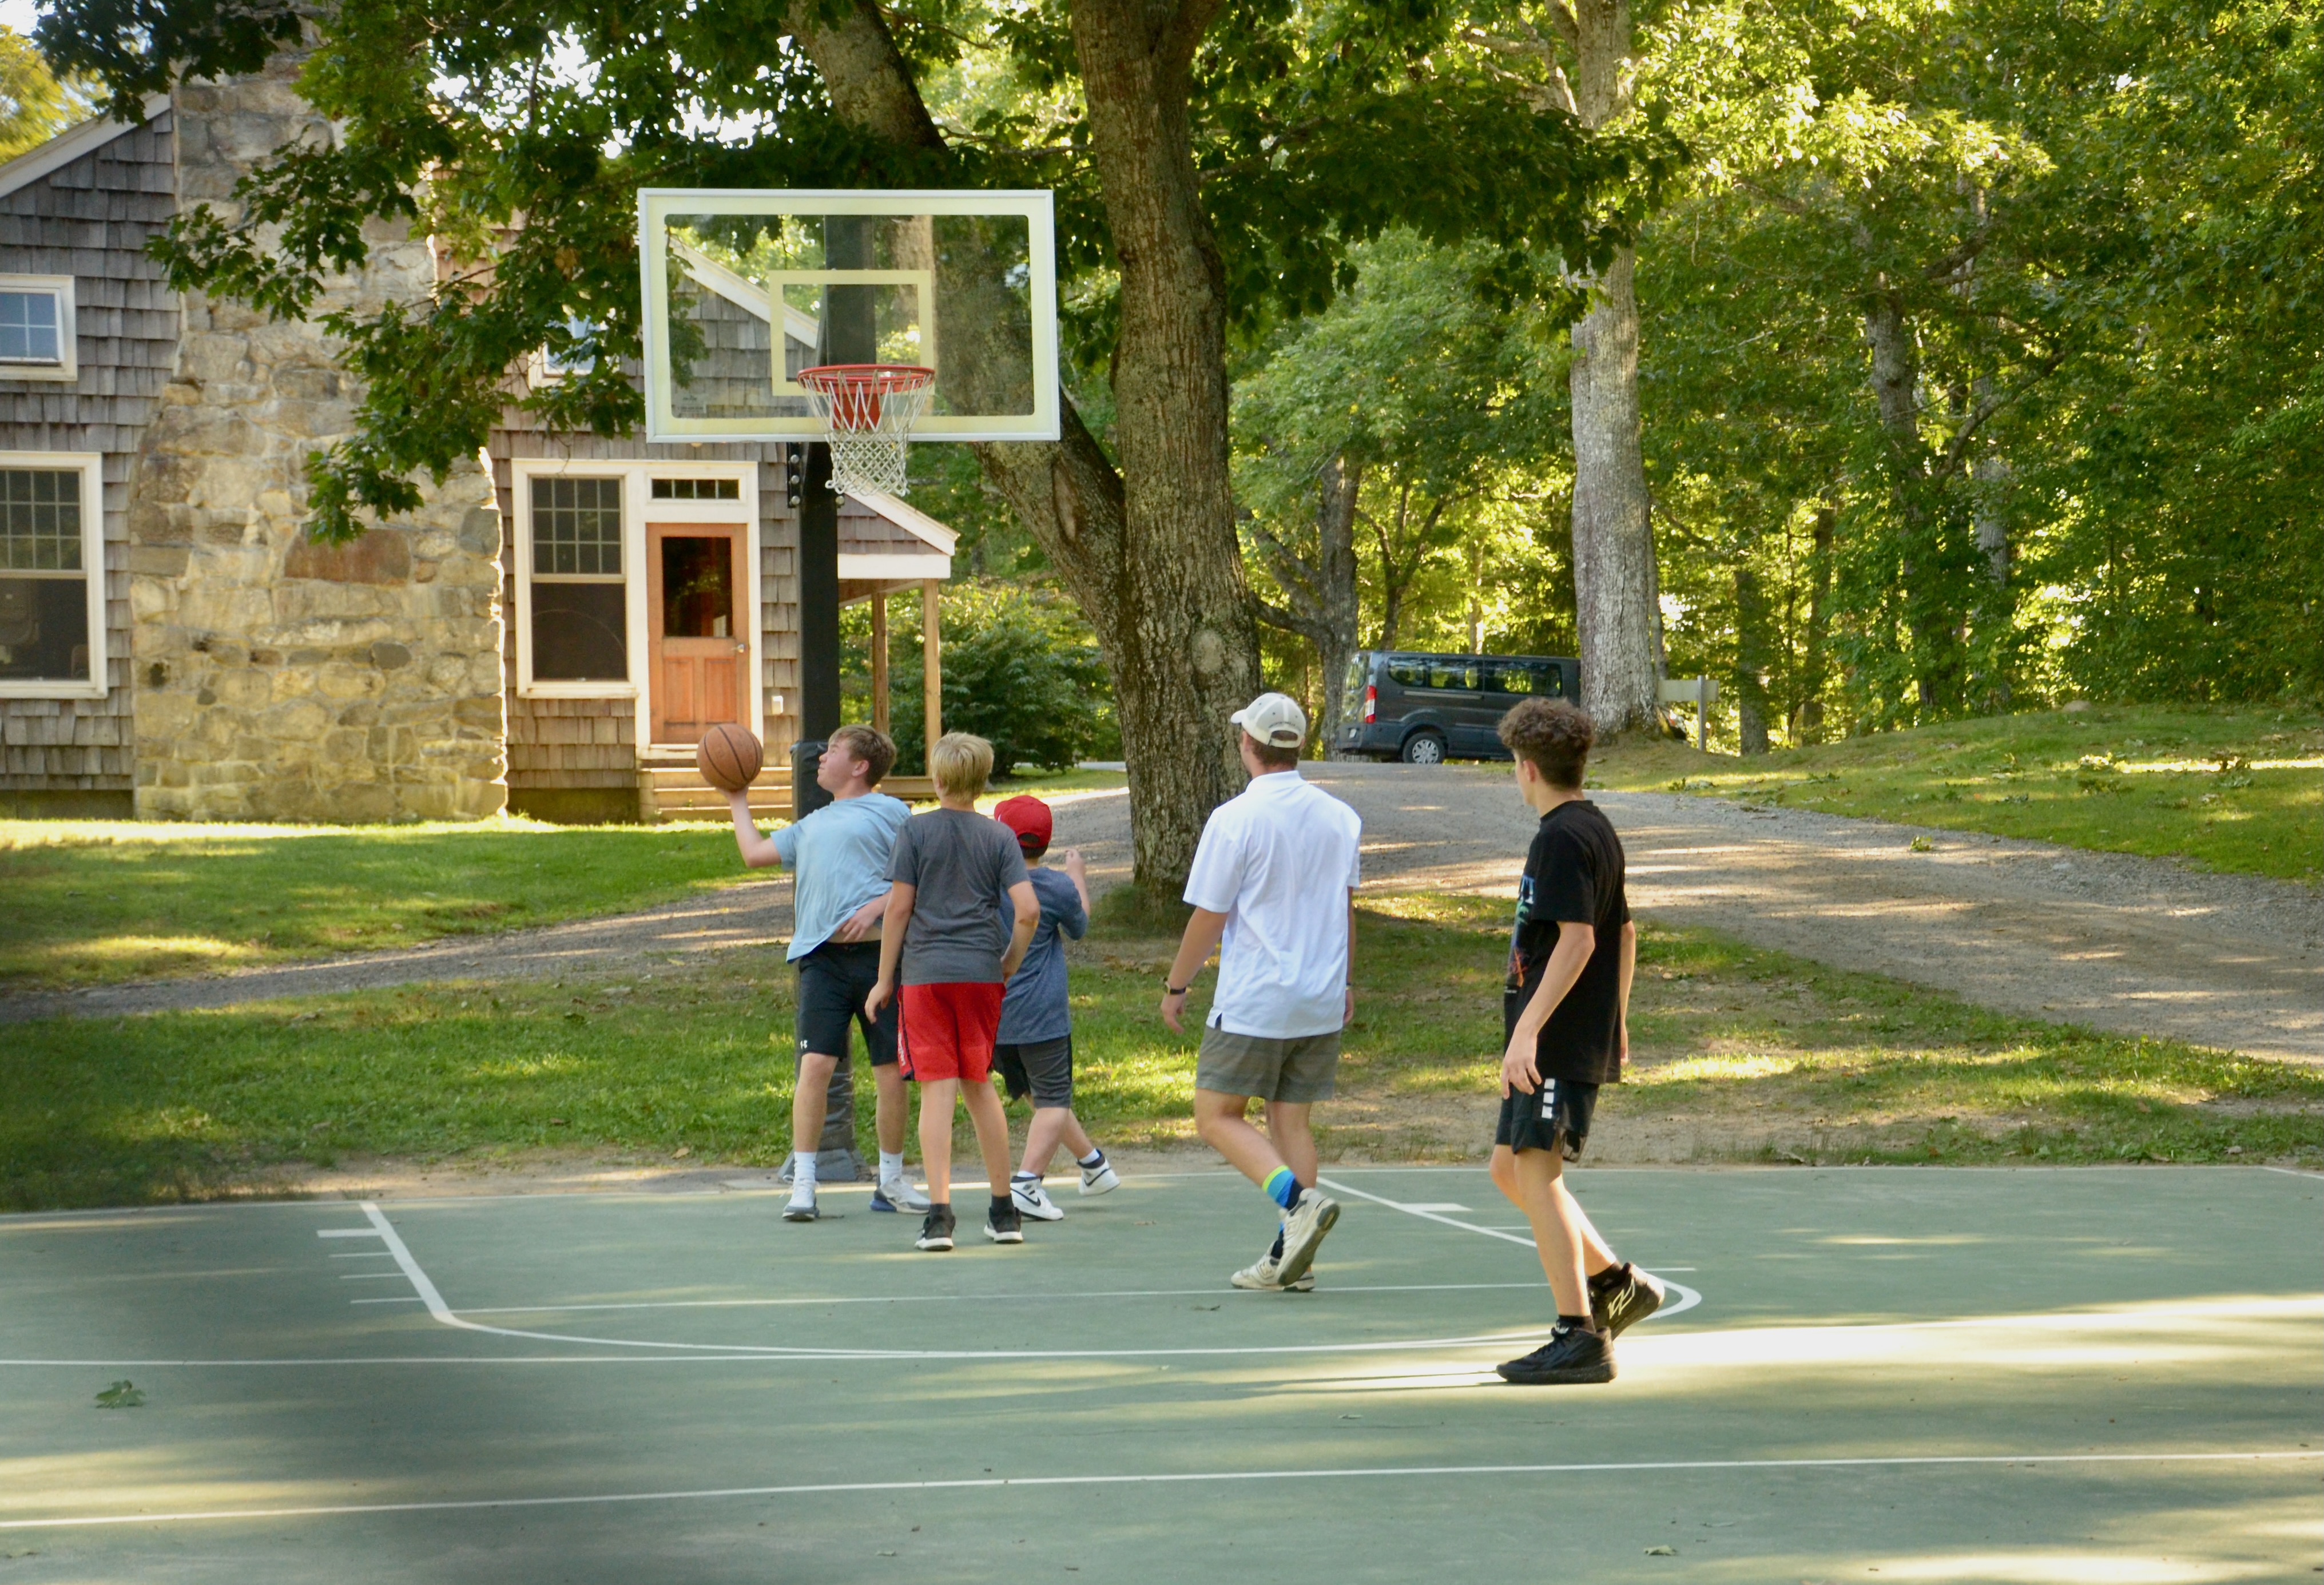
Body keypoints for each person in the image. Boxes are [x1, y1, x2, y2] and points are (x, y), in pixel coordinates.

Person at [1485, 698, 1664, 1387]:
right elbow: (1622, 931)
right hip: (1566, 1032)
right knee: (1510, 1169)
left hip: (1551, 1039)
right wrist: (1617, 1017)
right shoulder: (1596, 827)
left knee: (1537, 1171)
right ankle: (1620, 1283)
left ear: (1526, 770)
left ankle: (1577, 1333)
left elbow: (1582, 937)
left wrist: (1527, 1029)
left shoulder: (1559, 836)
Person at [1162, 692, 1361, 1292]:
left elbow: (1208, 915)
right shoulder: (1340, 816)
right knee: (1290, 1122)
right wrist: (1347, 978)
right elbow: (1345, 907)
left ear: (1247, 744)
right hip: (1320, 992)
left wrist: (1177, 983)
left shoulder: (1235, 818)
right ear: (1295, 744)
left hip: (1256, 996)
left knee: (1215, 1115)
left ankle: (1296, 1206)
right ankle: (1289, 1259)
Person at [725, 724, 929, 1222]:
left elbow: (917, 875)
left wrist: (878, 904)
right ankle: (805, 1183)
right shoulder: (812, 822)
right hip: (821, 960)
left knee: (890, 1073)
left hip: (880, 959)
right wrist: (737, 796)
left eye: (833, 750)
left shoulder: (891, 812)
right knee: (815, 1067)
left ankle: (891, 1181)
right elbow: (753, 854)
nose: (820, 757)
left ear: (860, 766)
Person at [866, 733, 1040, 1252]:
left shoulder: (914, 831)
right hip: (981, 974)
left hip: (926, 976)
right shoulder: (1000, 838)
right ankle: (1004, 1211)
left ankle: (939, 1218)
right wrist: (1009, 960)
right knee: (980, 1086)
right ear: (982, 780)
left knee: (937, 1091)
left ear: (937, 780)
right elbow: (1028, 910)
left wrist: (883, 977)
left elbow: (898, 908)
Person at [990, 795, 1121, 1221]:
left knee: (1039, 1094)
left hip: (993, 1013)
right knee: (1053, 1100)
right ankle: (1026, 1184)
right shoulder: (1054, 885)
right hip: (1041, 1015)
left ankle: (1093, 1165)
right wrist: (1078, 877)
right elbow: (1080, 924)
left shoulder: (986, 885)